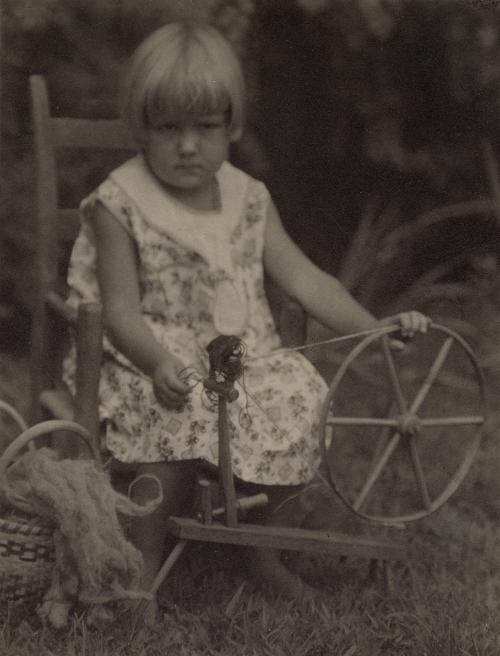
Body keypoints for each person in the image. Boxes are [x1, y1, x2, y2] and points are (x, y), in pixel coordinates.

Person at [64, 20, 430, 603]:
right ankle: (142, 561)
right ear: (141, 128)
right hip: (151, 361)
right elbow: (121, 312)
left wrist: (375, 328)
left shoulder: (248, 198)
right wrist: (158, 361)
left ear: (231, 125)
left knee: (298, 397)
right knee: (178, 419)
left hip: (244, 361)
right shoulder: (121, 202)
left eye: (206, 128)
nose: (188, 146)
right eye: (169, 129)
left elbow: (307, 280)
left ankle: (261, 552)